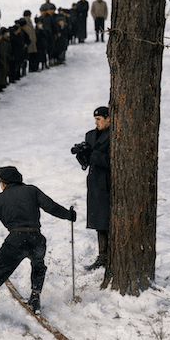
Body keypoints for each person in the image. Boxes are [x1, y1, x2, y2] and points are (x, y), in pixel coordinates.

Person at [0, 166, 76, 322]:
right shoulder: (32, 191)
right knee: (38, 266)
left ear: (4, 183)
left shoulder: (1, 199)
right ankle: (35, 297)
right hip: (36, 239)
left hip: (16, 241)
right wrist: (69, 215)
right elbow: (51, 207)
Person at [72, 106, 111, 271]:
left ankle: (110, 256)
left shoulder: (114, 135)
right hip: (95, 184)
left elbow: (111, 161)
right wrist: (82, 154)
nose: (96, 123)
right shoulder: (90, 135)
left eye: (99, 119)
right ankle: (102, 256)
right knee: (99, 221)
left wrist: (92, 153)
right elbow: (86, 163)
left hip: (107, 183)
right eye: (95, 119)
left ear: (108, 118)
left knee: (108, 221)